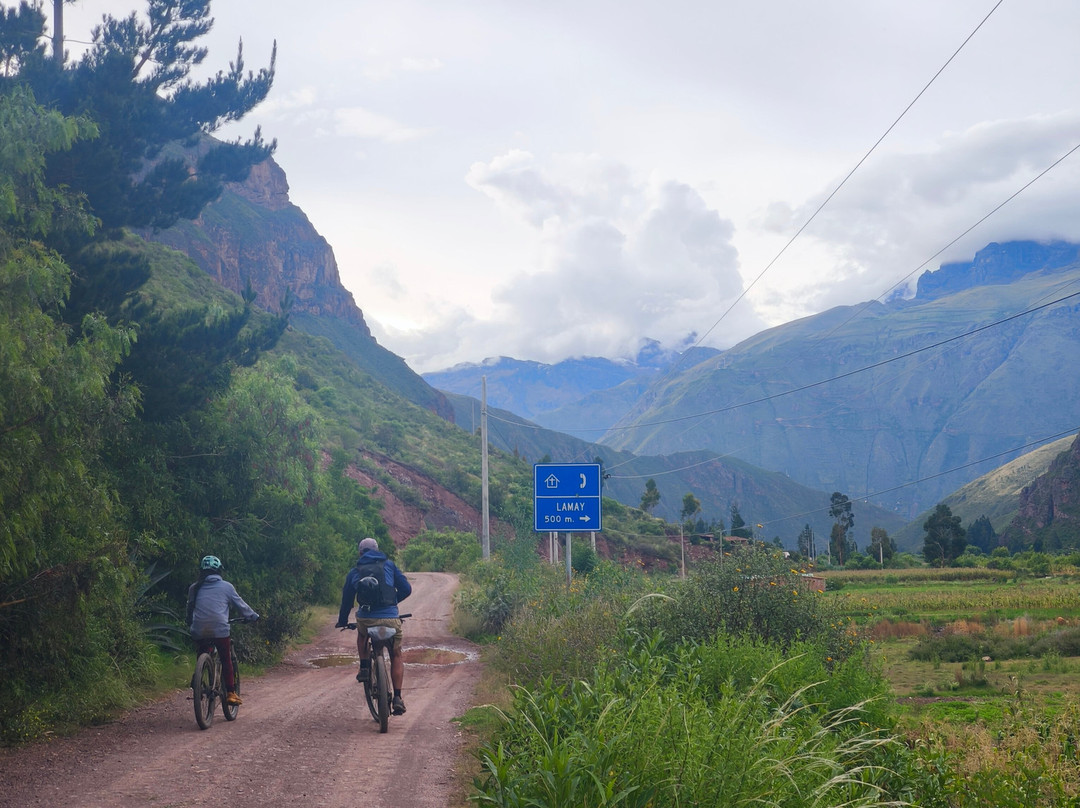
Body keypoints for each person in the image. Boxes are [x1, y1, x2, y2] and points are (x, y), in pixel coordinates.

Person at [336, 537, 412, 715]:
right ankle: (398, 698)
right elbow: (406, 589)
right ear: (377, 550)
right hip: (390, 618)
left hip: (367, 618)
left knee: (362, 634)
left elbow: (347, 600)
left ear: (360, 553)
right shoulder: (389, 565)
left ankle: (364, 667)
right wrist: (392, 602)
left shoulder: (356, 571)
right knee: (396, 654)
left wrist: (343, 620)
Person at [186, 555, 259, 705]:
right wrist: (253, 616)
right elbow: (241, 606)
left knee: (203, 649)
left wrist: (190, 623)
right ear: (219, 571)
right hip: (220, 629)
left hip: (199, 629)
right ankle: (231, 693)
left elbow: (189, 609)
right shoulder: (227, 587)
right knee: (226, 658)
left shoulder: (194, 588)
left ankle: (198, 680)